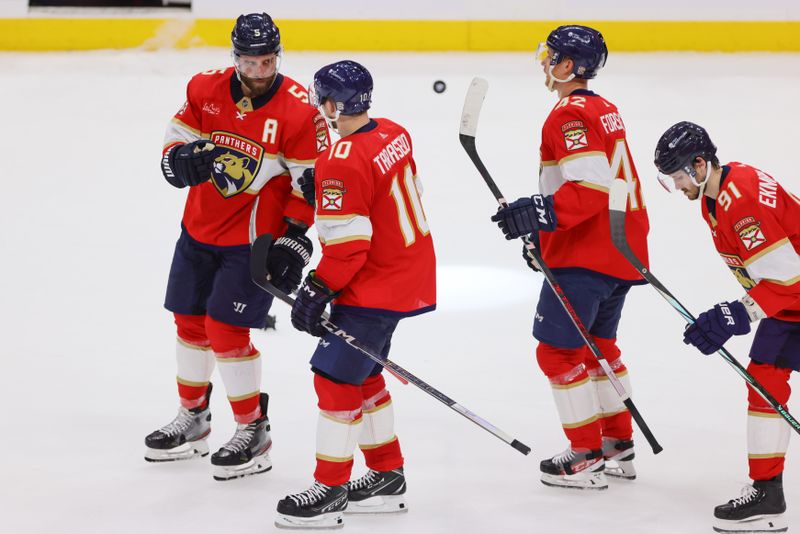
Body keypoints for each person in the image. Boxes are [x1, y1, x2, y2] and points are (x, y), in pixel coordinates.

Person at [143, 12, 329, 481]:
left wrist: (293, 237)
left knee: (226, 332)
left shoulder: (298, 109)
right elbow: (177, 138)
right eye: (251, 62)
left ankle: (252, 429)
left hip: (249, 243)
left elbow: (309, 185)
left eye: (268, 62)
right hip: (198, 230)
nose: (260, 71)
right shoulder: (204, 89)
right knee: (188, 323)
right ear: (236, 58)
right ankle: (194, 419)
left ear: (277, 56)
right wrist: (178, 159)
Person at [272, 60, 436, 529]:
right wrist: (325, 188)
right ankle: (386, 476)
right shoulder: (394, 132)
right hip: (409, 273)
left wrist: (318, 288)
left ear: (329, 104)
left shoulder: (339, 159)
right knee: (363, 376)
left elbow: (348, 246)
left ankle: (329, 489)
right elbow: (382, 191)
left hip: (374, 283)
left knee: (334, 379)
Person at [489, 25, 650, 490]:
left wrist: (540, 212)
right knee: (599, 347)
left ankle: (584, 454)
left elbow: (590, 187)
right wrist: (544, 233)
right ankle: (617, 443)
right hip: (621, 248)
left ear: (567, 66)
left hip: (589, 251)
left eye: (550, 55)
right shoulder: (604, 108)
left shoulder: (567, 115)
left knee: (558, 351)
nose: (543, 61)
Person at [655, 121, 797, 533]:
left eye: (679, 175)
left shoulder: (741, 198)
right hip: (789, 304)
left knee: (764, 380)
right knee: (763, 381)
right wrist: (733, 313)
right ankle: (768, 492)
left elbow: (787, 278)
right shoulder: (715, 197)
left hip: (793, 294)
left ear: (700, 164)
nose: (678, 185)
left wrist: (736, 314)